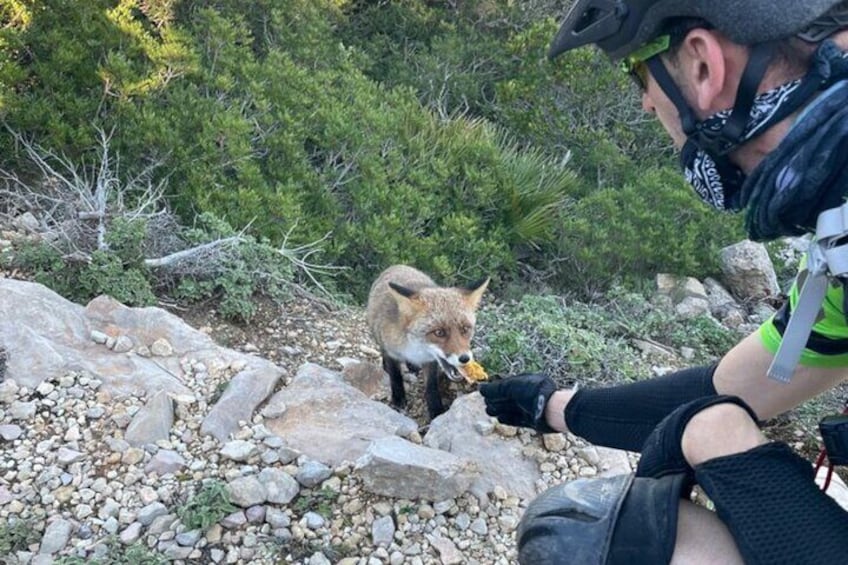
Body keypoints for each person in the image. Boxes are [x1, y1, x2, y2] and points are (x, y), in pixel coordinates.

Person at [479, 1, 848, 563]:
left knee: (601, 541)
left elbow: (718, 409)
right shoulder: (837, 246)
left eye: (640, 74)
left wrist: (714, 435)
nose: (647, 100)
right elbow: (728, 386)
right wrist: (551, 405)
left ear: (702, 65)